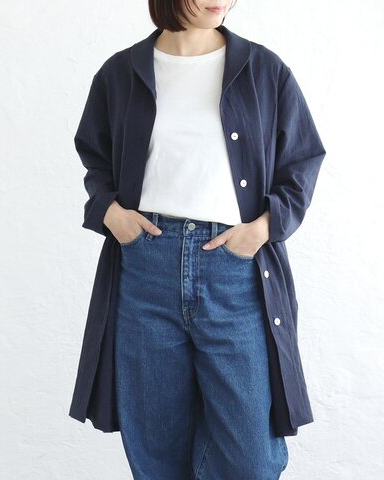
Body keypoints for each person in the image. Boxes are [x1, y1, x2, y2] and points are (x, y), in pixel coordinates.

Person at [70, 1, 327, 478]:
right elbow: (94, 155)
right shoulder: (120, 73)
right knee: (157, 451)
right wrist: (110, 212)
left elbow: (302, 161)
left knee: (251, 457)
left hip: (235, 272)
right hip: (146, 267)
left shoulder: (264, 70)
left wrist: (264, 229)